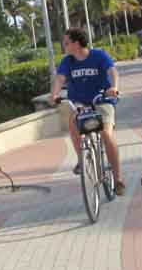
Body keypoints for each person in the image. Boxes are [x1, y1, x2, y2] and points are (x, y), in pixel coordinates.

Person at [49, 27, 125, 195]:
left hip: (102, 99)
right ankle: (81, 160)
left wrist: (113, 87)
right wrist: (54, 94)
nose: (64, 45)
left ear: (76, 43)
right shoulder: (67, 61)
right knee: (73, 123)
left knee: (105, 133)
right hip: (80, 102)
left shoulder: (99, 55)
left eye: (67, 43)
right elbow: (60, 79)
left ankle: (118, 179)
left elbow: (112, 72)